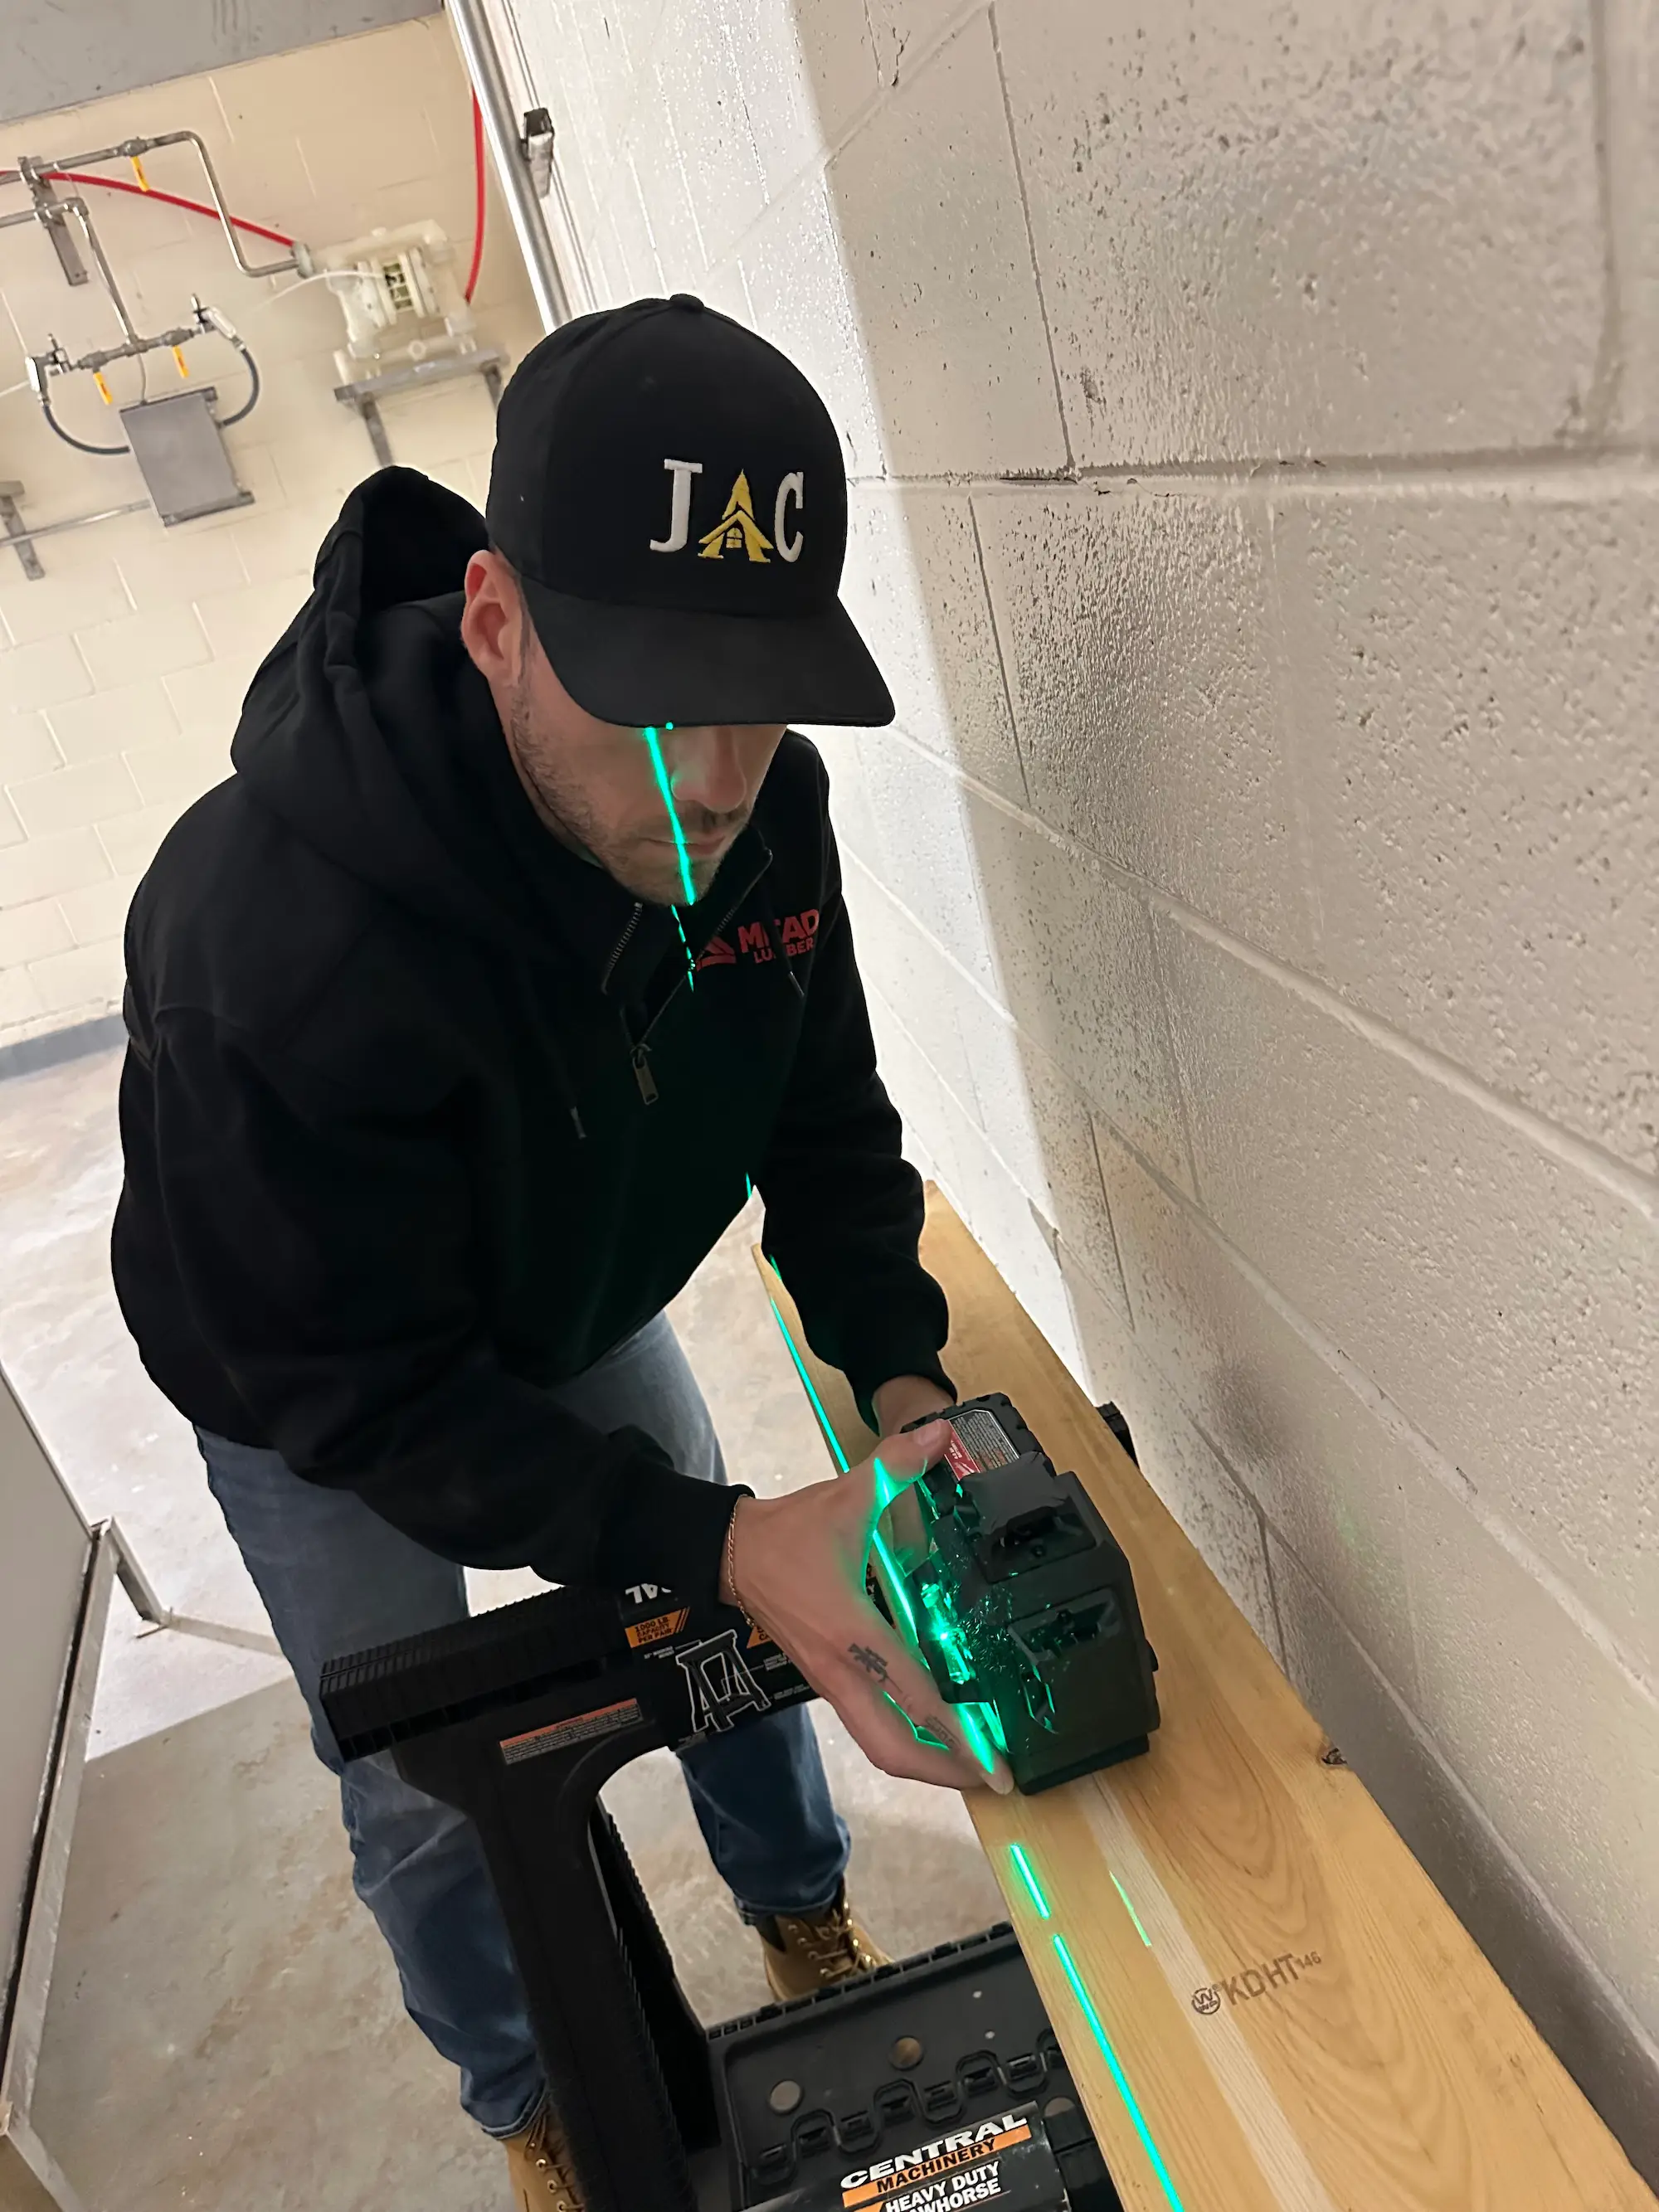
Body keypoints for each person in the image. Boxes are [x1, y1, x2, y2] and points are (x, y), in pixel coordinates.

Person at [111, 293, 1011, 2207]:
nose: (712, 782)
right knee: (424, 1785)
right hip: (315, 1384)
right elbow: (360, 1385)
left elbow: (828, 1132)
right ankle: (531, 2094)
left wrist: (903, 1376)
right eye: (658, 706)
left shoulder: (765, 823)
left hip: (576, 1284)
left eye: (759, 702)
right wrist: (697, 1525)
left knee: (739, 1616)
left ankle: (800, 1918)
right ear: (500, 623)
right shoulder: (262, 947)